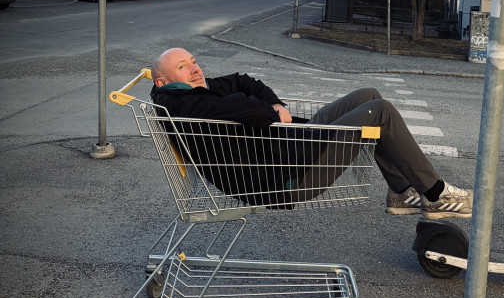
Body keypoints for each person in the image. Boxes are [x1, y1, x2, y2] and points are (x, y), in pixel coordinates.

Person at [150, 47, 473, 219]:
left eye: (193, 62)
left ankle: (402, 191)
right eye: (183, 67)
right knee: (382, 111)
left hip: (292, 148)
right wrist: (264, 108)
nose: (195, 69)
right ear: (163, 81)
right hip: (286, 177)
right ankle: (435, 194)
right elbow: (249, 108)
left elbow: (244, 81)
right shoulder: (184, 105)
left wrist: (274, 103)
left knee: (369, 95)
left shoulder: (199, 89)